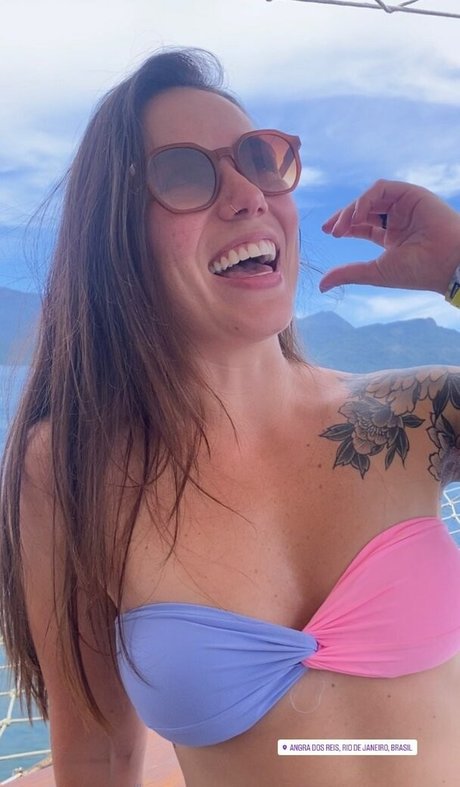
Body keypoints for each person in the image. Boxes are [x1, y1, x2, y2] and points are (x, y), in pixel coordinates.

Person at [1, 46, 460, 787]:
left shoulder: (415, 415)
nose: (249, 193)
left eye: (261, 160)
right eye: (186, 174)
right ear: (115, 232)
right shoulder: (71, 468)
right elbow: (99, 752)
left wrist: (458, 267)